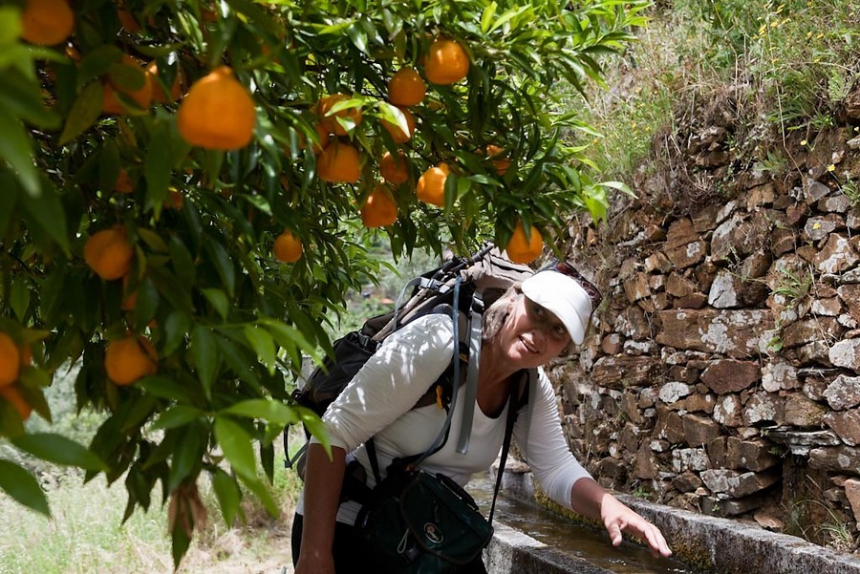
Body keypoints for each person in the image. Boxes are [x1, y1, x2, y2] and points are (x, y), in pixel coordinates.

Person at [292, 259, 673, 573]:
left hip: (428, 535)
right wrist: (314, 556)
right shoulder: (438, 342)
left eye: (557, 331)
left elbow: (555, 469)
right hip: (348, 526)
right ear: (513, 298)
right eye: (537, 313)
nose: (540, 334)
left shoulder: (530, 387)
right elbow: (334, 433)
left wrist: (610, 507)